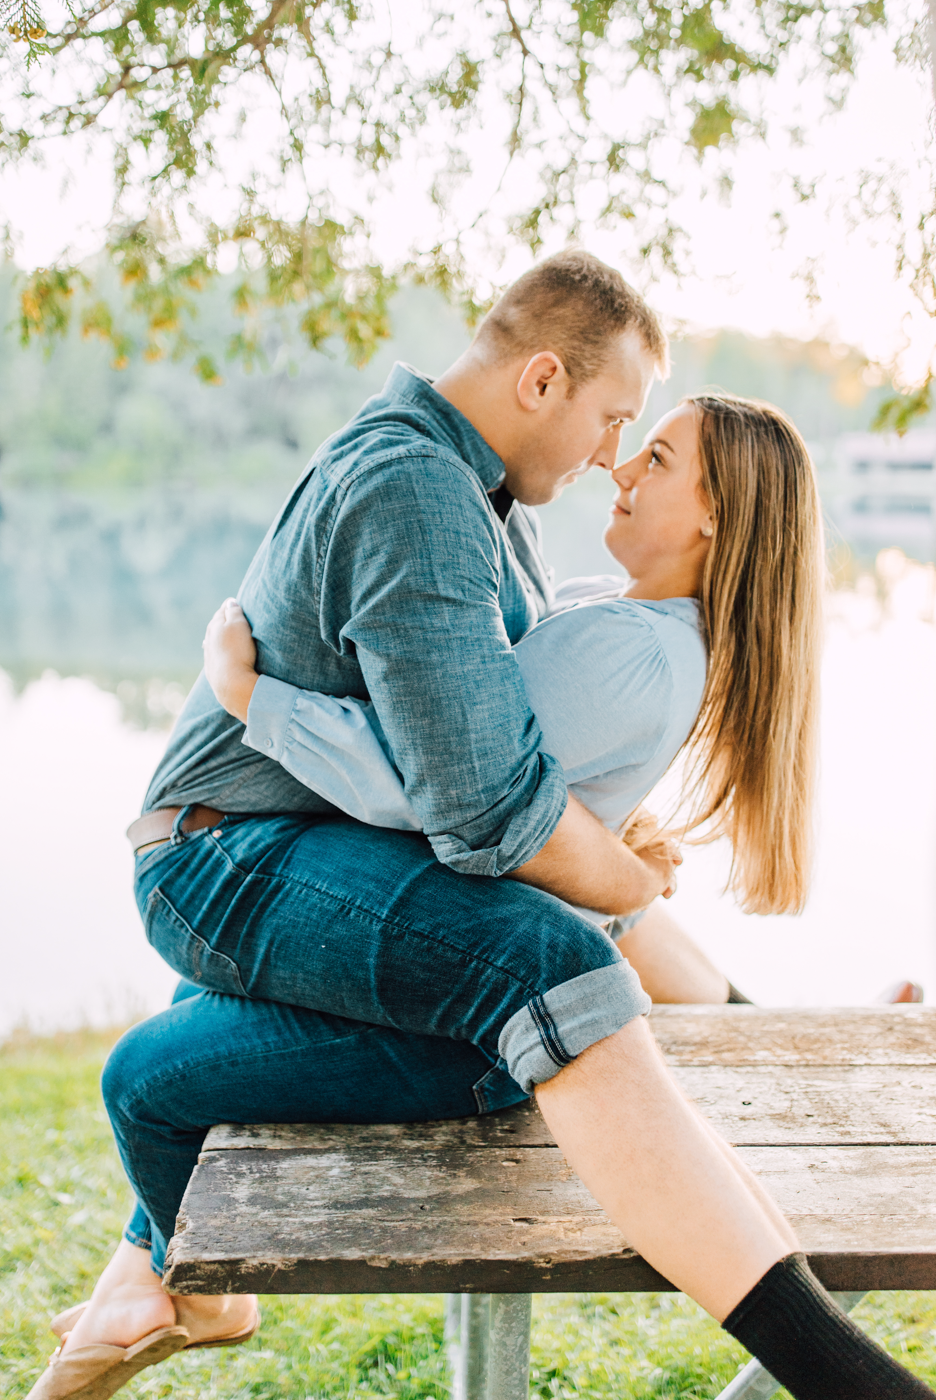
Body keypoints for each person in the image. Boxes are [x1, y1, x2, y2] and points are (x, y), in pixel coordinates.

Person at [29, 257, 934, 1400]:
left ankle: (150, 1273)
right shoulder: (417, 489)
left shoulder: (490, 506)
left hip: (314, 851)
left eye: (644, 441)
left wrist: (597, 844)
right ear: (544, 377)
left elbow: (494, 763)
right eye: (616, 420)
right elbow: (477, 808)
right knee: (548, 951)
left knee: (539, 949)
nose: (613, 450)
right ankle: (855, 1380)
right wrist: (608, 867)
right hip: (228, 854)